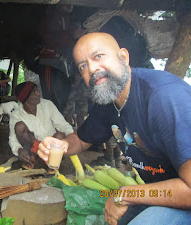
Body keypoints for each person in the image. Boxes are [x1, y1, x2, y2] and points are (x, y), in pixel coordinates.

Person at [38, 33, 191, 225]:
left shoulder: (165, 98)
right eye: (83, 66)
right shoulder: (110, 101)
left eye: (98, 56)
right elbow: (80, 140)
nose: (92, 69)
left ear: (124, 57)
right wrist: (60, 144)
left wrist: (125, 193)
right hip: (163, 192)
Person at [9, 81, 73, 170]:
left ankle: (52, 162)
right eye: (34, 92)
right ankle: (32, 158)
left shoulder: (47, 105)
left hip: (50, 147)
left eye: (37, 90)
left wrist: (72, 138)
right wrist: (19, 151)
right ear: (25, 97)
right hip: (32, 148)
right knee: (19, 127)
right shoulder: (16, 114)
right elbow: (13, 139)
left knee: (60, 135)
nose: (38, 93)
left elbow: (63, 125)